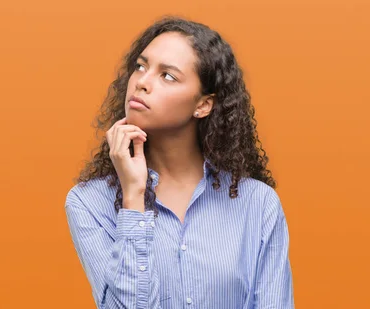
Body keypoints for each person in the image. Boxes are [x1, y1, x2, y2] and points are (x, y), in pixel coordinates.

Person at [64, 16, 294, 309]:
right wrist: (134, 197)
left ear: (202, 105)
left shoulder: (258, 204)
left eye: (168, 76)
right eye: (141, 66)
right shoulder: (88, 203)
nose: (142, 83)